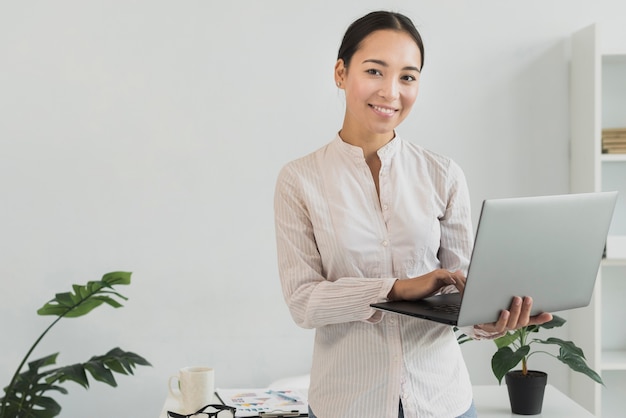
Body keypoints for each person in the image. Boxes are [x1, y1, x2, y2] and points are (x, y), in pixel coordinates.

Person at [273, 10, 552, 418]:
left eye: (408, 76)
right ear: (340, 72)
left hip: (443, 402)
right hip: (347, 403)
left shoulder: (444, 175)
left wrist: (493, 321)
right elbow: (304, 303)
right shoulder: (299, 180)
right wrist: (398, 288)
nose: (391, 91)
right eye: (374, 71)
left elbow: (463, 290)